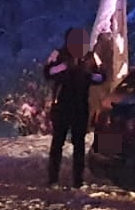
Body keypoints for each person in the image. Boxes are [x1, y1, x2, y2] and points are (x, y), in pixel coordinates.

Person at [43, 26, 104, 187]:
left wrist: (89, 74)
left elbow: (102, 76)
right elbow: (47, 73)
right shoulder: (58, 54)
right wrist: (65, 66)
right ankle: (53, 179)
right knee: (58, 143)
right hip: (62, 105)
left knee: (79, 144)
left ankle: (78, 180)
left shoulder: (91, 57)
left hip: (81, 105)